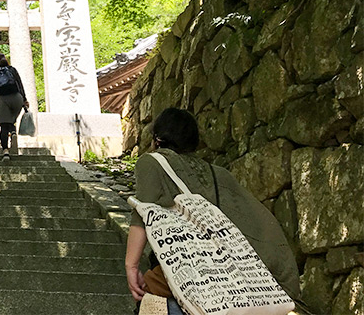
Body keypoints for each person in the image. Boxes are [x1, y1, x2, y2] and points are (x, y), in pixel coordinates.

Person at [125, 107, 300, 305]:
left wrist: (131, 266)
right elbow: (254, 222)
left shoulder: (151, 162)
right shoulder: (219, 174)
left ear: (157, 139)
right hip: (225, 276)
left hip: (184, 271)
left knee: (151, 292)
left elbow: (142, 212)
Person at [0, 53, 28, 161]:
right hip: (17, 98)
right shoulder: (12, 70)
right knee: (11, 121)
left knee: (4, 126)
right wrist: (24, 99)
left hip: (3, 99)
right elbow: (20, 84)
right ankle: (13, 132)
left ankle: (5, 152)